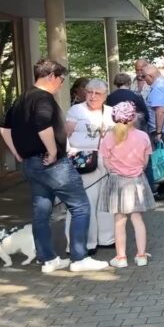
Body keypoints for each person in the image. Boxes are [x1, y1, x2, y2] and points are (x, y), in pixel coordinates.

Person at [0, 59, 108, 273]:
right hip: (51, 163)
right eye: (61, 79)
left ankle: (48, 259)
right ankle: (79, 257)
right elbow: (42, 125)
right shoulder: (43, 98)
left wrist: (17, 153)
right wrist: (53, 151)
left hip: (31, 163)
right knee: (80, 206)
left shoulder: (22, 98)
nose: (61, 84)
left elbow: (3, 127)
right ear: (51, 76)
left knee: (41, 212)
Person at [100, 101, 156, 269]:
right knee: (137, 218)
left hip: (117, 180)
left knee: (119, 220)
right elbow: (145, 162)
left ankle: (121, 257)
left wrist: (116, 169)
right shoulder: (143, 136)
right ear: (133, 118)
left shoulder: (109, 137)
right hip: (137, 180)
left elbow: (106, 162)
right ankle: (141, 255)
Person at [65, 78, 116, 254]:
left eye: (97, 93)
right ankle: (86, 242)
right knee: (86, 201)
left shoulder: (111, 112)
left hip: (107, 160)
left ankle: (107, 238)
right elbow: (67, 134)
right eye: (89, 92)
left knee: (106, 201)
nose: (92, 96)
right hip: (83, 161)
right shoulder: (75, 110)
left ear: (105, 96)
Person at [144, 64, 164, 198]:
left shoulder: (158, 88)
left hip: (162, 129)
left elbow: (160, 111)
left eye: (144, 76)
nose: (143, 80)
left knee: (162, 159)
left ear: (150, 76)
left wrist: (158, 132)